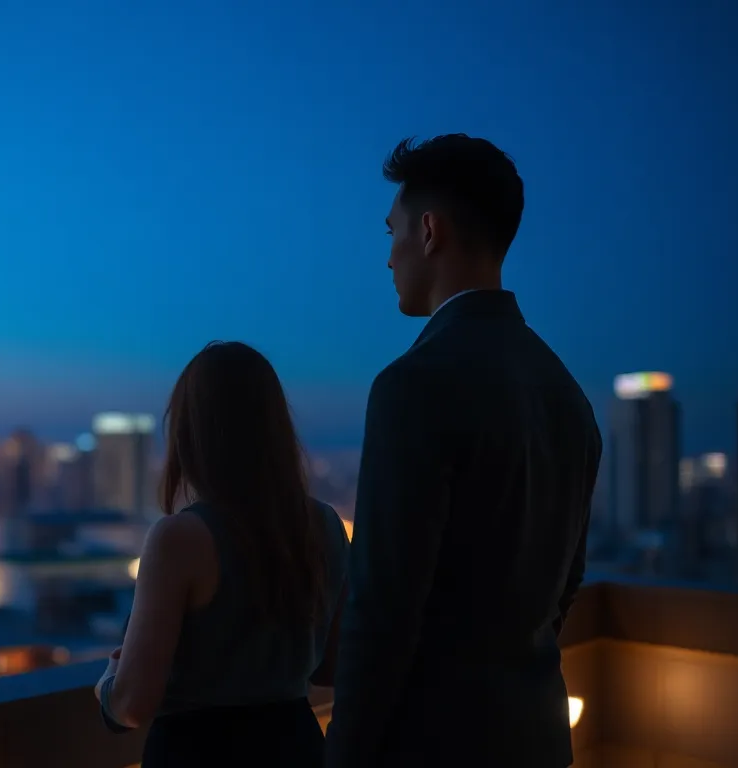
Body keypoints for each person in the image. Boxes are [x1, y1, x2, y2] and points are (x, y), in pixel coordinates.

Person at [325, 135, 602, 767]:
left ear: (429, 231)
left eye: (392, 231)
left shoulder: (412, 387)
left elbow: (382, 610)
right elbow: (565, 585)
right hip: (535, 737)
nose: (388, 258)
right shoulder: (568, 397)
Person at [94, 340, 350, 767]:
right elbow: (330, 668)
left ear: (189, 434)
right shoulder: (325, 525)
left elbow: (132, 705)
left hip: (198, 752)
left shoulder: (179, 539)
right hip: (296, 748)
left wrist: (107, 684)